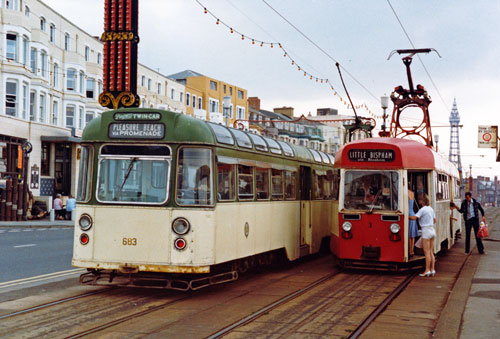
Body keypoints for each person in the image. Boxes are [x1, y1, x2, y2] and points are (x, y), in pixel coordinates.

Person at [409, 194, 436, 277]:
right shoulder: (431, 209)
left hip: (426, 231)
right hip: (432, 230)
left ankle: (426, 270)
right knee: (431, 252)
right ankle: (432, 269)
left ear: (421, 201)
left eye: (420, 200)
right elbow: (435, 220)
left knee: (426, 252)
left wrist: (407, 216)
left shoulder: (422, 209)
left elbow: (414, 218)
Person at [408, 189, 419, 256]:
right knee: (412, 235)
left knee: (409, 235)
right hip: (412, 213)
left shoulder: (405, 193)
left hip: (408, 215)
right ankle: (412, 251)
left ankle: (409, 250)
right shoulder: (412, 193)